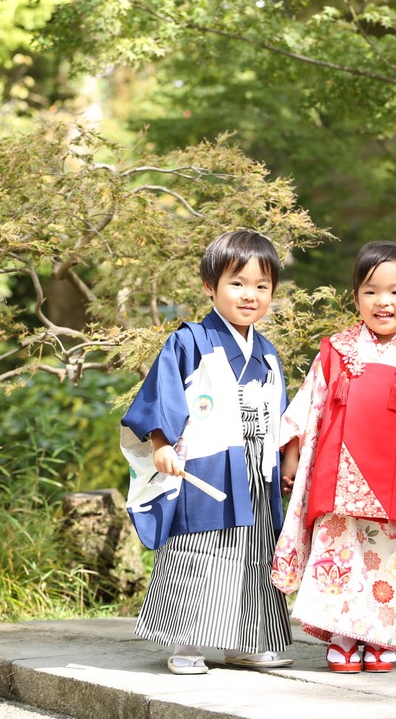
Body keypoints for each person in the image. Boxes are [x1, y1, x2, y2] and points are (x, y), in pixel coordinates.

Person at [270, 240, 396, 674]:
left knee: (386, 558)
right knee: (340, 552)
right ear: (356, 298)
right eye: (371, 291)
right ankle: (342, 635)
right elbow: (308, 407)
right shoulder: (336, 351)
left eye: (395, 291)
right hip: (338, 475)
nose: (383, 301)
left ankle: (379, 637)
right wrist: (292, 453)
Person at [119, 230, 294, 675]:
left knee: (254, 553)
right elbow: (161, 398)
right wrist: (161, 444)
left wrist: (287, 460)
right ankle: (186, 644)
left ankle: (245, 640)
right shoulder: (189, 341)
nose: (250, 295)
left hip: (255, 470)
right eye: (237, 283)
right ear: (209, 286)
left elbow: (283, 415)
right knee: (198, 552)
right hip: (207, 466)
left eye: (262, 286)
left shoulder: (267, 354)